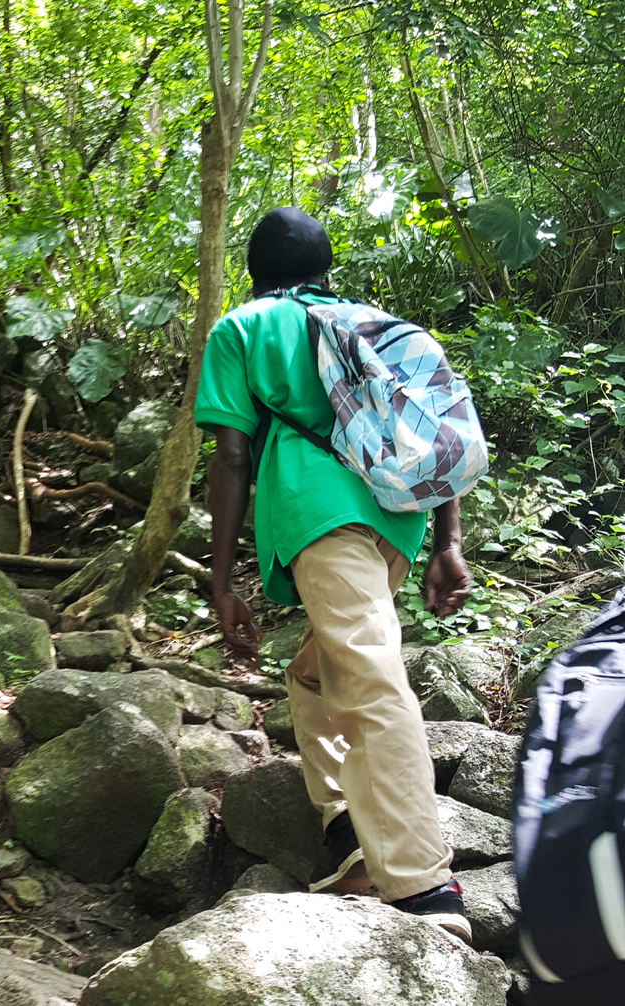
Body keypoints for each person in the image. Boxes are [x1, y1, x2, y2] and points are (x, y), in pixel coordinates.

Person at [196, 206, 474, 941]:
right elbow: (435, 435)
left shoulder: (244, 328)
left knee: (371, 672)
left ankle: (422, 884)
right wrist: (448, 542)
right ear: (327, 272)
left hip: (318, 512)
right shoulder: (383, 328)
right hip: (396, 517)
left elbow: (230, 457)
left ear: (255, 276)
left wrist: (222, 583)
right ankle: (349, 831)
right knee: (318, 673)